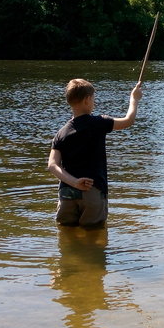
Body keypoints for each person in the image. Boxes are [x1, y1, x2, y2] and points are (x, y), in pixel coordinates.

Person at [47, 78, 142, 228]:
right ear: (87, 100)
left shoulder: (61, 133)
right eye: (93, 99)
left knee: (66, 232)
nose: (94, 103)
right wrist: (134, 99)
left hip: (66, 194)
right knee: (93, 234)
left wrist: (73, 182)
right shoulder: (99, 123)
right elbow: (128, 120)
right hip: (92, 190)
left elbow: (52, 165)